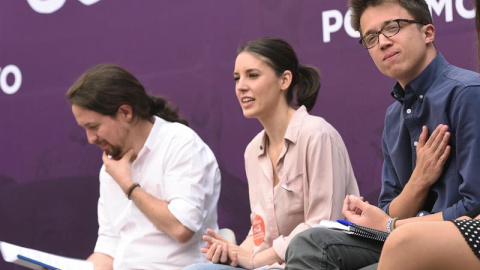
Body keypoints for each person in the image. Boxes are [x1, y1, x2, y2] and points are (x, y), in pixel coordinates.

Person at [285, 0, 480, 269]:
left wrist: (392, 225)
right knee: (308, 243)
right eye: (371, 37)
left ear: (428, 32)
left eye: (393, 27)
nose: (382, 43)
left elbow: (475, 205)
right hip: (402, 235)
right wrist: (419, 182)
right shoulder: (394, 117)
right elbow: (389, 208)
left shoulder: (467, 93)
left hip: (457, 239)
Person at [184, 38, 359, 270]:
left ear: (284, 80)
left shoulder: (318, 134)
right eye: (237, 78)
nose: (241, 86)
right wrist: (233, 252)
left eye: (252, 75)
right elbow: (260, 234)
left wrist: (256, 260)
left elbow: (322, 227)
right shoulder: (252, 151)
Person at [66, 64, 221, 270]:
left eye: (94, 127)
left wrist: (128, 186)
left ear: (125, 112)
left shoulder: (181, 143)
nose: (90, 139)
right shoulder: (111, 167)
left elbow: (182, 228)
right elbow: (108, 248)